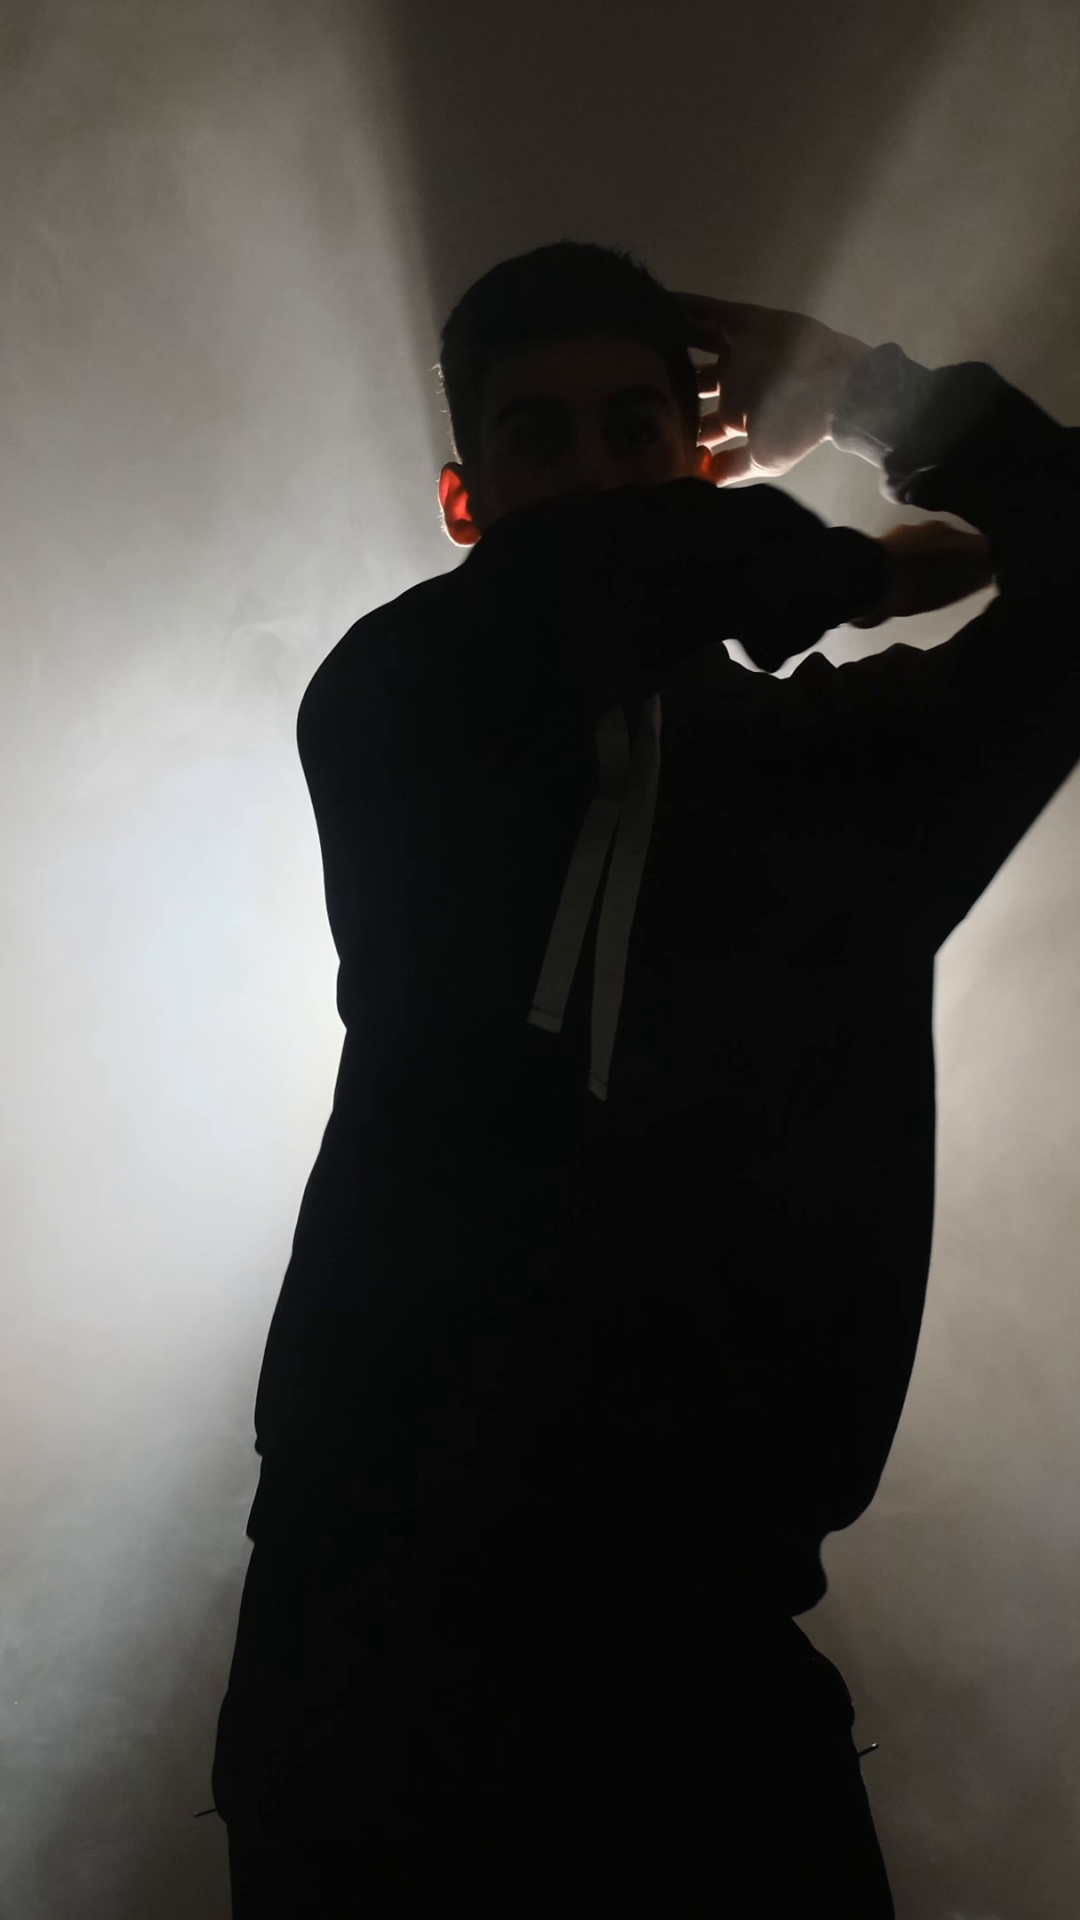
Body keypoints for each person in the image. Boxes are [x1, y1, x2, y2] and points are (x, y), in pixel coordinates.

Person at [210, 241, 1080, 1915]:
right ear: (465, 503)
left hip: (714, 1651)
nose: (598, 476)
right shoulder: (401, 699)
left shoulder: (846, 783)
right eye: (540, 437)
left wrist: (873, 389)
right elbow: (606, 579)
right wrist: (872, 564)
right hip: (384, 1654)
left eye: (635, 427)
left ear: (705, 455)